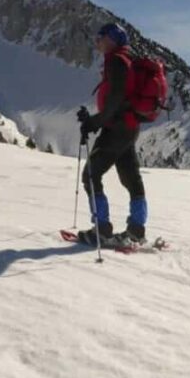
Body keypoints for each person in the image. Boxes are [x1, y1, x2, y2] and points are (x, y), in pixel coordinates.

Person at [76, 22, 148, 247]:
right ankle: (137, 230)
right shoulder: (125, 59)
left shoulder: (117, 61)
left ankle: (102, 229)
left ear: (112, 39)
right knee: (131, 179)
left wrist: (93, 122)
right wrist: (96, 119)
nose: (97, 41)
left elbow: (115, 101)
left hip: (116, 129)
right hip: (129, 127)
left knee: (91, 174)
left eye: (101, 37)